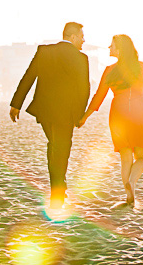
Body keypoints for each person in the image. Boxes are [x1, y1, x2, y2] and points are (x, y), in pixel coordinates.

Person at [77, 34, 143, 206]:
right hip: (140, 111)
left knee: (126, 157)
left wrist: (84, 117)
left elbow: (99, 97)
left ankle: (128, 196)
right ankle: (132, 183)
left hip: (119, 113)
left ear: (119, 50)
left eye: (111, 45)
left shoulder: (110, 70)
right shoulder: (141, 67)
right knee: (141, 156)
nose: (109, 48)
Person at [10, 21, 90, 209]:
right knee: (61, 151)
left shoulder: (44, 51)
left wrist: (16, 104)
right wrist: (80, 113)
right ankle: (58, 193)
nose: (84, 40)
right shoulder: (81, 58)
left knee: (54, 147)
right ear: (72, 37)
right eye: (81, 36)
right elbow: (84, 89)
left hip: (45, 110)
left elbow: (28, 76)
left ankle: (58, 187)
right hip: (66, 112)